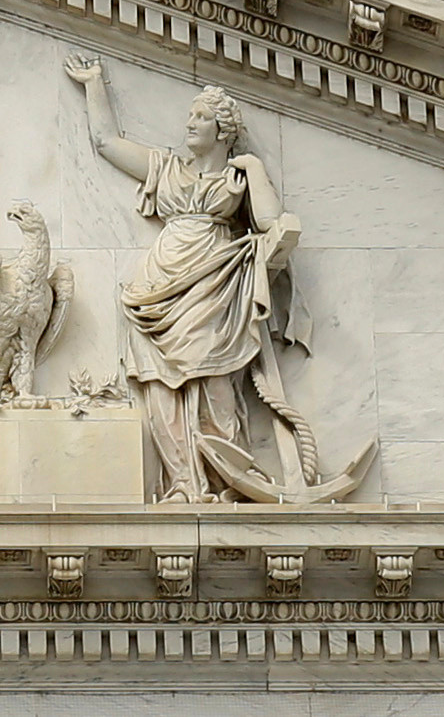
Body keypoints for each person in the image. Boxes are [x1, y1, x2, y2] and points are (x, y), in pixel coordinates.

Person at [65, 56, 364, 503]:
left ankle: (227, 479)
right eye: (190, 115)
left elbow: (269, 222)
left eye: (201, 117)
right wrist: (94, 85)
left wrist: (256, 170)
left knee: (217, 381)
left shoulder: (237, 178)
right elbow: (107, 142)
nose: (191, 123)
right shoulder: (165, 169)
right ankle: (183, 482)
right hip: (159, 289)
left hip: (215, 283)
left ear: (222, 130)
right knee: (159, 385)